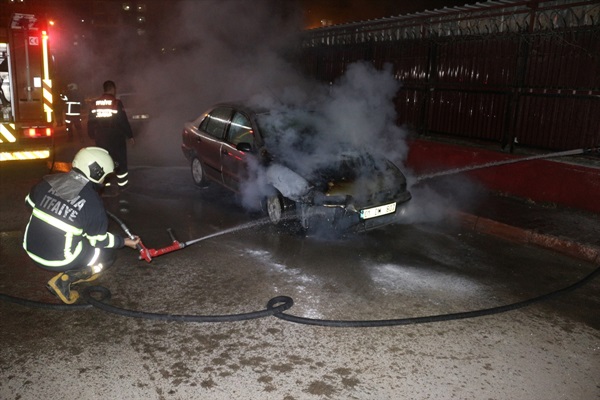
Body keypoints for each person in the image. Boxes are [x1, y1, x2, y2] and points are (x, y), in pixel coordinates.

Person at [23, 147, 141, 304]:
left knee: (77, 233)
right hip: (56, 259)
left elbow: (29, 203)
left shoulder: (48, 182)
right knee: (107, 255)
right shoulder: (92, 202)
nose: (105, 180)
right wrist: (125, 242)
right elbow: (99, 241)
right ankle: (65, 279)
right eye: (105, 176)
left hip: (30, 248)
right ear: (97, 174)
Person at [87, 80, 134, 194]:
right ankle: (122, 186)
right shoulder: (116, 103)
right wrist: (130, 136)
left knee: (103, 160)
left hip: (101, 137)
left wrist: (92, 134)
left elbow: (91, 121)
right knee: (120, 160)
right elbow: (123, 121)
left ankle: (105, 186)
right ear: (113, 89)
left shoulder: (95, 103)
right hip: (115, 136)